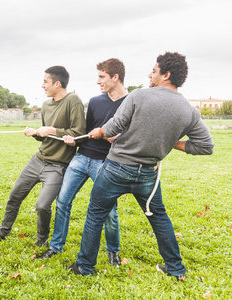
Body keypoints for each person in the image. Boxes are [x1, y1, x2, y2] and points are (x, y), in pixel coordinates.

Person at [69, 52, 214, 279]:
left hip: (116, 168)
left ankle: (85, 267)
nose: (149, 74)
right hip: (148, 174)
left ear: (166, 74)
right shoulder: (189, 110)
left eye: (154, 71)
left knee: (96, 214)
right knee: (159, 219)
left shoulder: (138, 96)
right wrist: (170, 142)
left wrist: (99, 131)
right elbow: (206, 146)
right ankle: (176, 269)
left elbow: (114, 126)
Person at [38, 59, 127, 267]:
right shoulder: (96, 101)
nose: (98, 81)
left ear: (115, 77)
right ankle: (55, 246)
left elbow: (134, 136)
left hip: (106, 163)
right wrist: (71, 138)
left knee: (109, 212)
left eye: (102, 77)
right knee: (62, 202)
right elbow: (83, 132)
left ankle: (113, 251)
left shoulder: (131, 103)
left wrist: (117, 137)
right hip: (81, 158)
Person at [0, 66, 86, 246]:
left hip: (58, 166)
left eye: (45, 82)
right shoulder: (46, 104)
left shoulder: (73, 101)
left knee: (42, 205)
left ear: (57, 83)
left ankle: (42, 241)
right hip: (38, 160)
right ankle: (3, 232)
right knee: (14, 196)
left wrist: (51, 129)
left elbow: (78, 134)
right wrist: (35, 133)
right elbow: (44, 137)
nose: (42, 86)